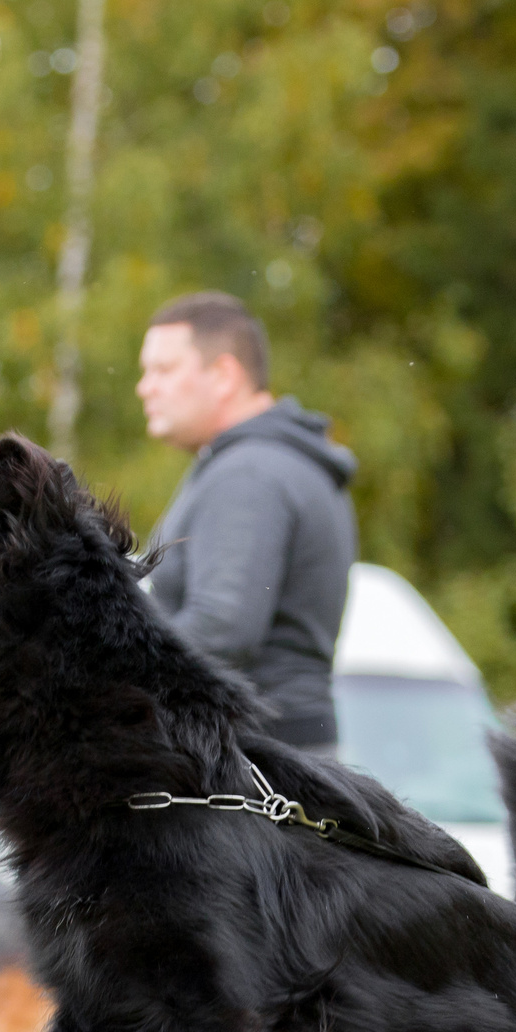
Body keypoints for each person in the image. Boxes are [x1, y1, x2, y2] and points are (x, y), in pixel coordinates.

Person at [135, 292, 358, 753]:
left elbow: (222, 629)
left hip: (253, 771)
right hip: (283, 759)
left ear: (224, 375)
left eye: (163, 370)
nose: (144, 387)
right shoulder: (280, 462)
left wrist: (100, 669)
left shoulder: (249, 474)